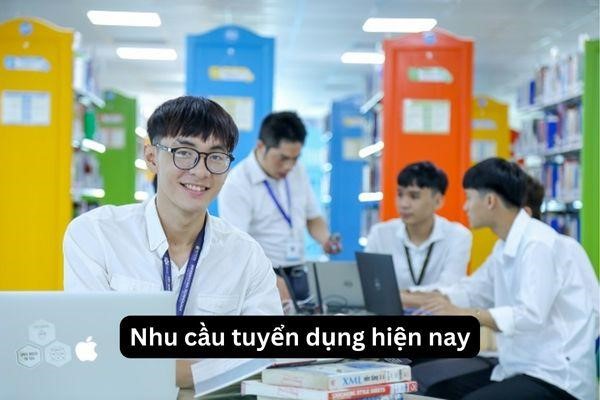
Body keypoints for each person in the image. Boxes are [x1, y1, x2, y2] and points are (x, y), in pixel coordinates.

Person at [63, 96, 283, 388]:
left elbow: (263, 355)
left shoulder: (246, 256)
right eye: (184, 152)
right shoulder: (97, 234)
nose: (201, 171)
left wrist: (148, 364)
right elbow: (90, 345)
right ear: (152, 157)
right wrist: (209, 368)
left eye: (216, 156)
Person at [414, 158, 597, 400]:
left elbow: (530, 315)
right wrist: (429, 302)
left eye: (469, 198)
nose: (465, 207)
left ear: (490, 201)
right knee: (439, 389)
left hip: (556, 377)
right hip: (518, 366)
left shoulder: (538, 244)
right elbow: (473, 290)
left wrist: (466, 314)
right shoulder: (504, 247)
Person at [218, 111, 341, 310]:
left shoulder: (298, 170)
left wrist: (326, 239)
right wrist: (268, 277)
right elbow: (237, 246)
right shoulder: (237, 183)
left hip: (299, 271)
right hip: (263, 276)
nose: (289, 166)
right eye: (283, 158)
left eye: (295, 158)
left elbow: (313, 218)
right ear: (261, 146)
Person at [365, 161, 471, 301]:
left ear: (438, 201)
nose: (404, 204)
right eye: (400, 194)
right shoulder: (380, 234)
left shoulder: (458, 236)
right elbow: (369, 286)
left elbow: (449, 290)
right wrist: (421, 297)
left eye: (414, 196)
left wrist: (398, 296)